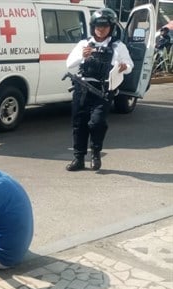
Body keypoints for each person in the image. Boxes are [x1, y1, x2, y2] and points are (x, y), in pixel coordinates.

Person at [65, 8, 133, 171]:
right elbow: (69, 64)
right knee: (79, 124)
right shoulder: (84, 44)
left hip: (103, 91)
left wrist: (124, 67)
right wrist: (82, 55)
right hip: (82, 89)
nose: (101, 29)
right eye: (98, 26)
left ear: (111, 27)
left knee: (97, 123)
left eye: (105, 26)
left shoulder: (118, 46)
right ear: (93, 27)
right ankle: (78, 158)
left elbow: (130, 65)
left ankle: (95, 154)